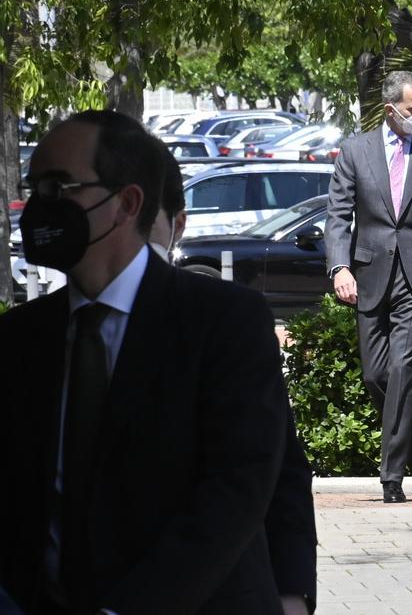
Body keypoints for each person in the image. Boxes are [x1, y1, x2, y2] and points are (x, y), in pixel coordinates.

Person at [0, 110, 290, 613]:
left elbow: (236, 490)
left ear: (125, 203)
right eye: (35, 186)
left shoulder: (223, 321)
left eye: (57, 187)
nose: (38, 207)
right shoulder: (19, 338)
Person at [152, 158, 319, 611]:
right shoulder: (31, 340)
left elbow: (278, 469)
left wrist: (293, 591)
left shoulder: (228, 321)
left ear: (175, 225)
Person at [325, 70, 412, 503]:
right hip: (368, 274)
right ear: (391, 110)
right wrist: (339, 267)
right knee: (376, 376)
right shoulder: (354, 151)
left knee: (404, 370)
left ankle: (392, 479)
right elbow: (338, 216)